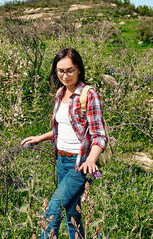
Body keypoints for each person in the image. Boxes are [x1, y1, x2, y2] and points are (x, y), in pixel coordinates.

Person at [21, 48, 108, 238]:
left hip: (80, 164)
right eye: (60, 71)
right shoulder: (61, 93)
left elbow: (99, 135)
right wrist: (40, 138)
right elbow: (65, 128)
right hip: (62, 161)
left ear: (78, 70)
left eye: (70, 70)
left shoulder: (89, 95)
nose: (65, 75)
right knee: (72, 214)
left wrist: (91, 160)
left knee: (51, 213)